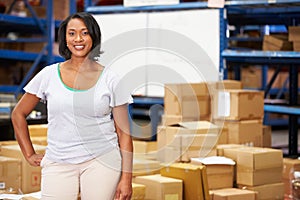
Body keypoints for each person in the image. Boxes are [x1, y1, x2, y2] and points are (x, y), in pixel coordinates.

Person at [11, 12, 133, 200]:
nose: (78, 39)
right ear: (64, 39)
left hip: (101, 160)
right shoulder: (48, 75)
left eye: (85, 33)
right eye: (72, 33)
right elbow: (18, 113)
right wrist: (29, 153)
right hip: (58, 161)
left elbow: (124, 133)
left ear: (94, 37)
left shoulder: (111, 79)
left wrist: (126, 178)